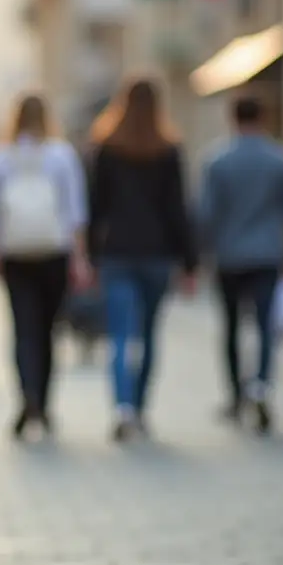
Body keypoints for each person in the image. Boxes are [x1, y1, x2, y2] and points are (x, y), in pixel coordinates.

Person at [0, 95, 91, 438]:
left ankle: (27, 398)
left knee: (23, 329)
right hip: (54, 253)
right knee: (47, 330)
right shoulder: (61, 155)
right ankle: (45, 403)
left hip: (15, 254)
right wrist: (79, 257)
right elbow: (75, 212)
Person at [87, 77, 197, 442]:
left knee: (120, 335)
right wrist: (190, 262)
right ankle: (141, 407)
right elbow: (178, 210)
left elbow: (95, 208)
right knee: (148, 334)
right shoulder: (168, 149)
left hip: (117, 253)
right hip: (157, 255)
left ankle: (122, 408)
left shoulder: (106, 147)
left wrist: (89, 256)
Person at [195, 94, 283, 434]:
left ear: (232, 118)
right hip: (267, 254)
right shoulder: (279, 159)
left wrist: (201, 253)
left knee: (230, 327)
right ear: (263, 117)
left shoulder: (217, 160)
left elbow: (205, 214)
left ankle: (235, 394)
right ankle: (261, 385)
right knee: (264, 325)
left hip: (229, 256)